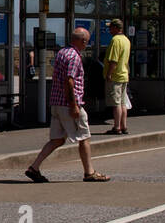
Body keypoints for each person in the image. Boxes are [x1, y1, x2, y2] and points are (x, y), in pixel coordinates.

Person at [25, 27, 110, 183]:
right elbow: (69, 81)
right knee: (84, 137)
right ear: (81, 41)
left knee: (57, 139)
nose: (87, 44)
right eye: (86, 41)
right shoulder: (74, 57)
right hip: (69, 104)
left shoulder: (62, 53)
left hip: (56, 103)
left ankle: (34, 167)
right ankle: (89, 172)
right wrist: (74, 105)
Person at [102, 18, 132, 134]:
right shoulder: (126, 40)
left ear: (116, 28)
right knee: (123, 102)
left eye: (110, 27)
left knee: (116, 104)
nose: (109, 29)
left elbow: (113, 60)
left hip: (115, 76)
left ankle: (117, 127)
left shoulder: (115, 40)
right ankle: (124, 126)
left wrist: (109, 74)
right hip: (124, 74)